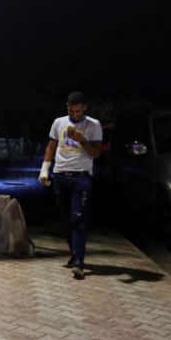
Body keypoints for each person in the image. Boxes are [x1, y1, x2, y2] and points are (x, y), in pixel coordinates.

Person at [39, 92, 102, 280]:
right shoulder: (58, 122)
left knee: (78, 218)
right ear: (67, 107)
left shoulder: (93, 125)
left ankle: (79, 262)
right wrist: (44, 169)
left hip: (81, 176)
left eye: (78, 111)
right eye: (71, 110)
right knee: (65, 219)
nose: (74, 114)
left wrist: (82, 140)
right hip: (60, 175)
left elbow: (96, 153)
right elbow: (51, 146)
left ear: (85, 108)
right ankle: (74, 253)